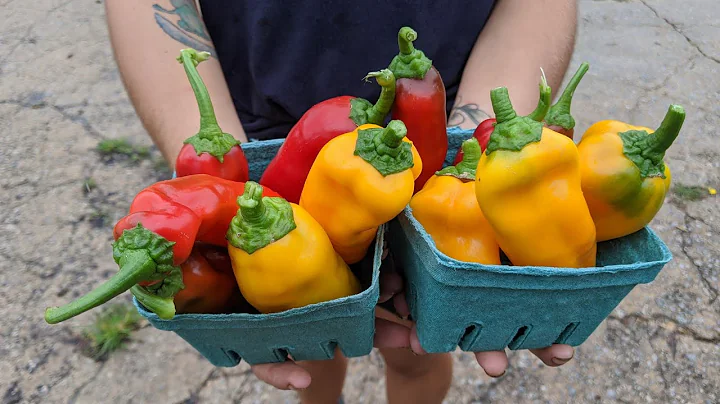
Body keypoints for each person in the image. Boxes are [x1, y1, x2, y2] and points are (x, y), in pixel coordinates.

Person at [106, 0, 579, 402]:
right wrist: (216, 163)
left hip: (434, 137)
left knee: (414, 349)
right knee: (311, 345)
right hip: (261, 130)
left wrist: (468, 154)